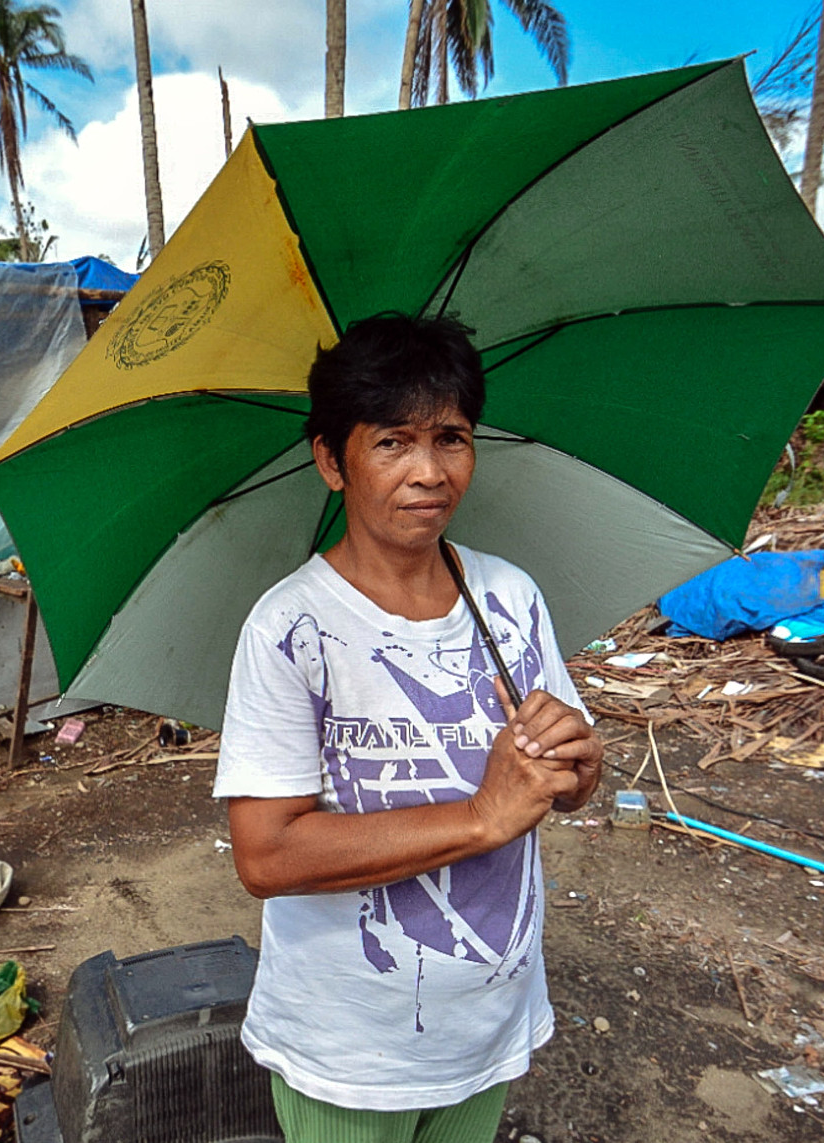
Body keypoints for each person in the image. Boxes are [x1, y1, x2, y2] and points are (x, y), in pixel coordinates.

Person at [214, 313, 604, 1142]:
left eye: (452, 438)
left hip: (488, 1026)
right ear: (331, 459)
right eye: (393, 441)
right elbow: (266, 853)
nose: (429, 472)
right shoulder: (290, 628)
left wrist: (577, 761)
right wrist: (479, 816)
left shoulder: (510, 598)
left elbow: (565, 788)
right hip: (349, 1051)